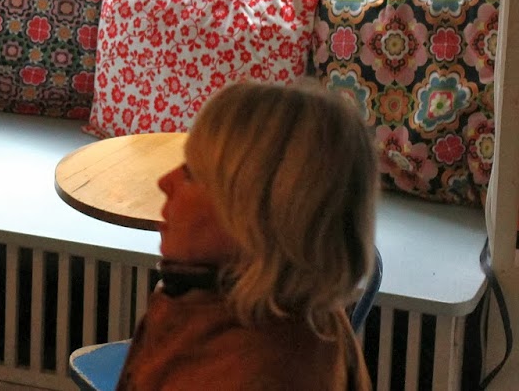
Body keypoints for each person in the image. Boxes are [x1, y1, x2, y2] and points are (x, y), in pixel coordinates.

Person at [117, 80, 377, 391]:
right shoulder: (218, 298)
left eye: (191, 174)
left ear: (256, 216)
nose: (165, 181)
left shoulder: (259, 372)